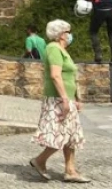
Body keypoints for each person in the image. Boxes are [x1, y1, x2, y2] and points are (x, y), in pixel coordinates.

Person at [30, 20, 90, 183]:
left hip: (66, 98)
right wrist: (64, 99)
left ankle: (70, 170)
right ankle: (40, 160)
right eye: (68, 31)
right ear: (61, 34)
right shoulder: (53, 49)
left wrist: (76, 98)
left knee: (71, 135)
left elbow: (70, 76)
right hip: (57, 99)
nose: (70, 35)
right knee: (59, 134)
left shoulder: (62, 50)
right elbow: (55, 75)